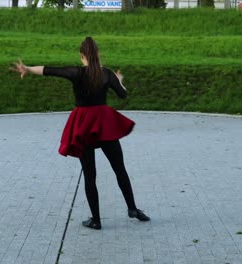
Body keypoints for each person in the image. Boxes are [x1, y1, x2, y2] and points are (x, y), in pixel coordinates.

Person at [10, 36, 150, 230]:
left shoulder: (76, 73)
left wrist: (27, 69)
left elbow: (49, 70)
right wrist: (119, 80)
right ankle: (132, 208)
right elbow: (123, 94)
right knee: (120, 169)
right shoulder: (107, 74)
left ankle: (96, 220)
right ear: (98, 54)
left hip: (84, 125)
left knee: (89, 175)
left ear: (82, 55)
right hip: (104, 123)